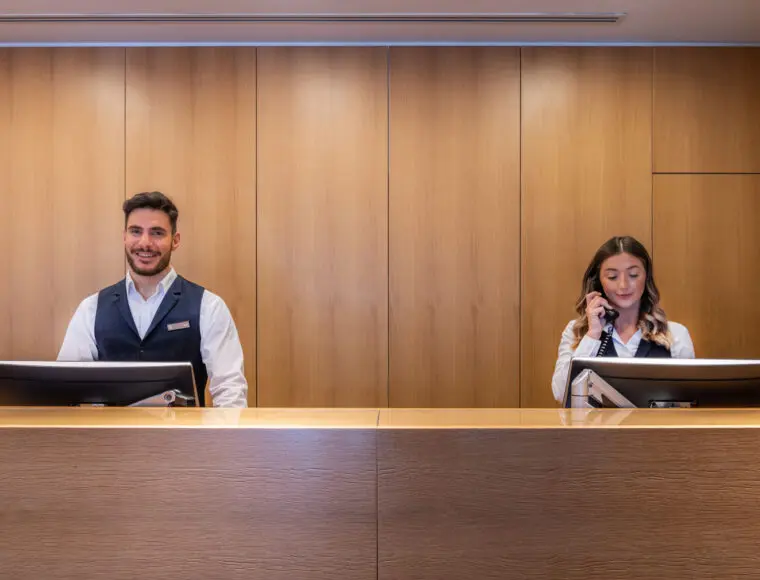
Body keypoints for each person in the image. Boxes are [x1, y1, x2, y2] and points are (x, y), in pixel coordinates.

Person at [58, 191, 248, 408]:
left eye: (157, 233)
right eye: (136, 231)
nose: (145, 243)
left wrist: (222, 441)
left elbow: (230, 391)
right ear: (124, 237)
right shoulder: (91, 308)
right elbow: (65, 389)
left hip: (185, 440)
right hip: (109, 440)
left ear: (175, 240)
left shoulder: (209, 306)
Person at [551, 235, 695, 404]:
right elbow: (561, 393)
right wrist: (593, 335)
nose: (623, 285)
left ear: (646, 277)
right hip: (595, 430)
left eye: (633, 275)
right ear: (599, 282)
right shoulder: (578, 331)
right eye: (612, 277)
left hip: (652, 430)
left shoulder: (675, 334)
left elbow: (687, 404)